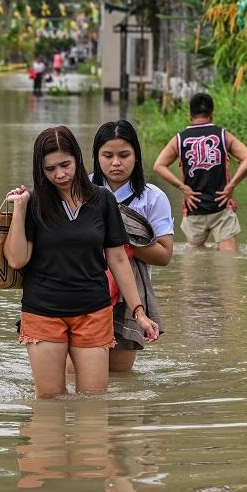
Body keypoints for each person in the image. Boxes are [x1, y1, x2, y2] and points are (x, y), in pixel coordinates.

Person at [4, 126, 160, 398]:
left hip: (93, 311)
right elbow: (17, 259)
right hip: (43, 312)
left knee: (93, 402)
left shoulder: (102, 199)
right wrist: (19, 208)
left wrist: (139, 312)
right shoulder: (35, 202)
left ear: (77, 158)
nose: (60, 175)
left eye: (65, 165)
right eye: (50, 169)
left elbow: (118, 259)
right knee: (50, 402)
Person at [91, 120, 174, 372]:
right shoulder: (82, 190)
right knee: (77, 374)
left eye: (124, 155)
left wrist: (121, 240)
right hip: (87, 289)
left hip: (130, 297)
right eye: (108, 155)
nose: (116, 163)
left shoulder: (152, 197)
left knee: (119, 377)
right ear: (97, 157)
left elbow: (164, 255)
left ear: (136, 157)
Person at [152, 92, 247, 251]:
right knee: (228, 263)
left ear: (189, 116)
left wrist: (183, 188)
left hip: (194, 206)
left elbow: (159, 165)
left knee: (194, 264)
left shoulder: (179, 139)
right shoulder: (223, 136)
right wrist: (231, 186)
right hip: (221, 205)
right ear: (212, 114)